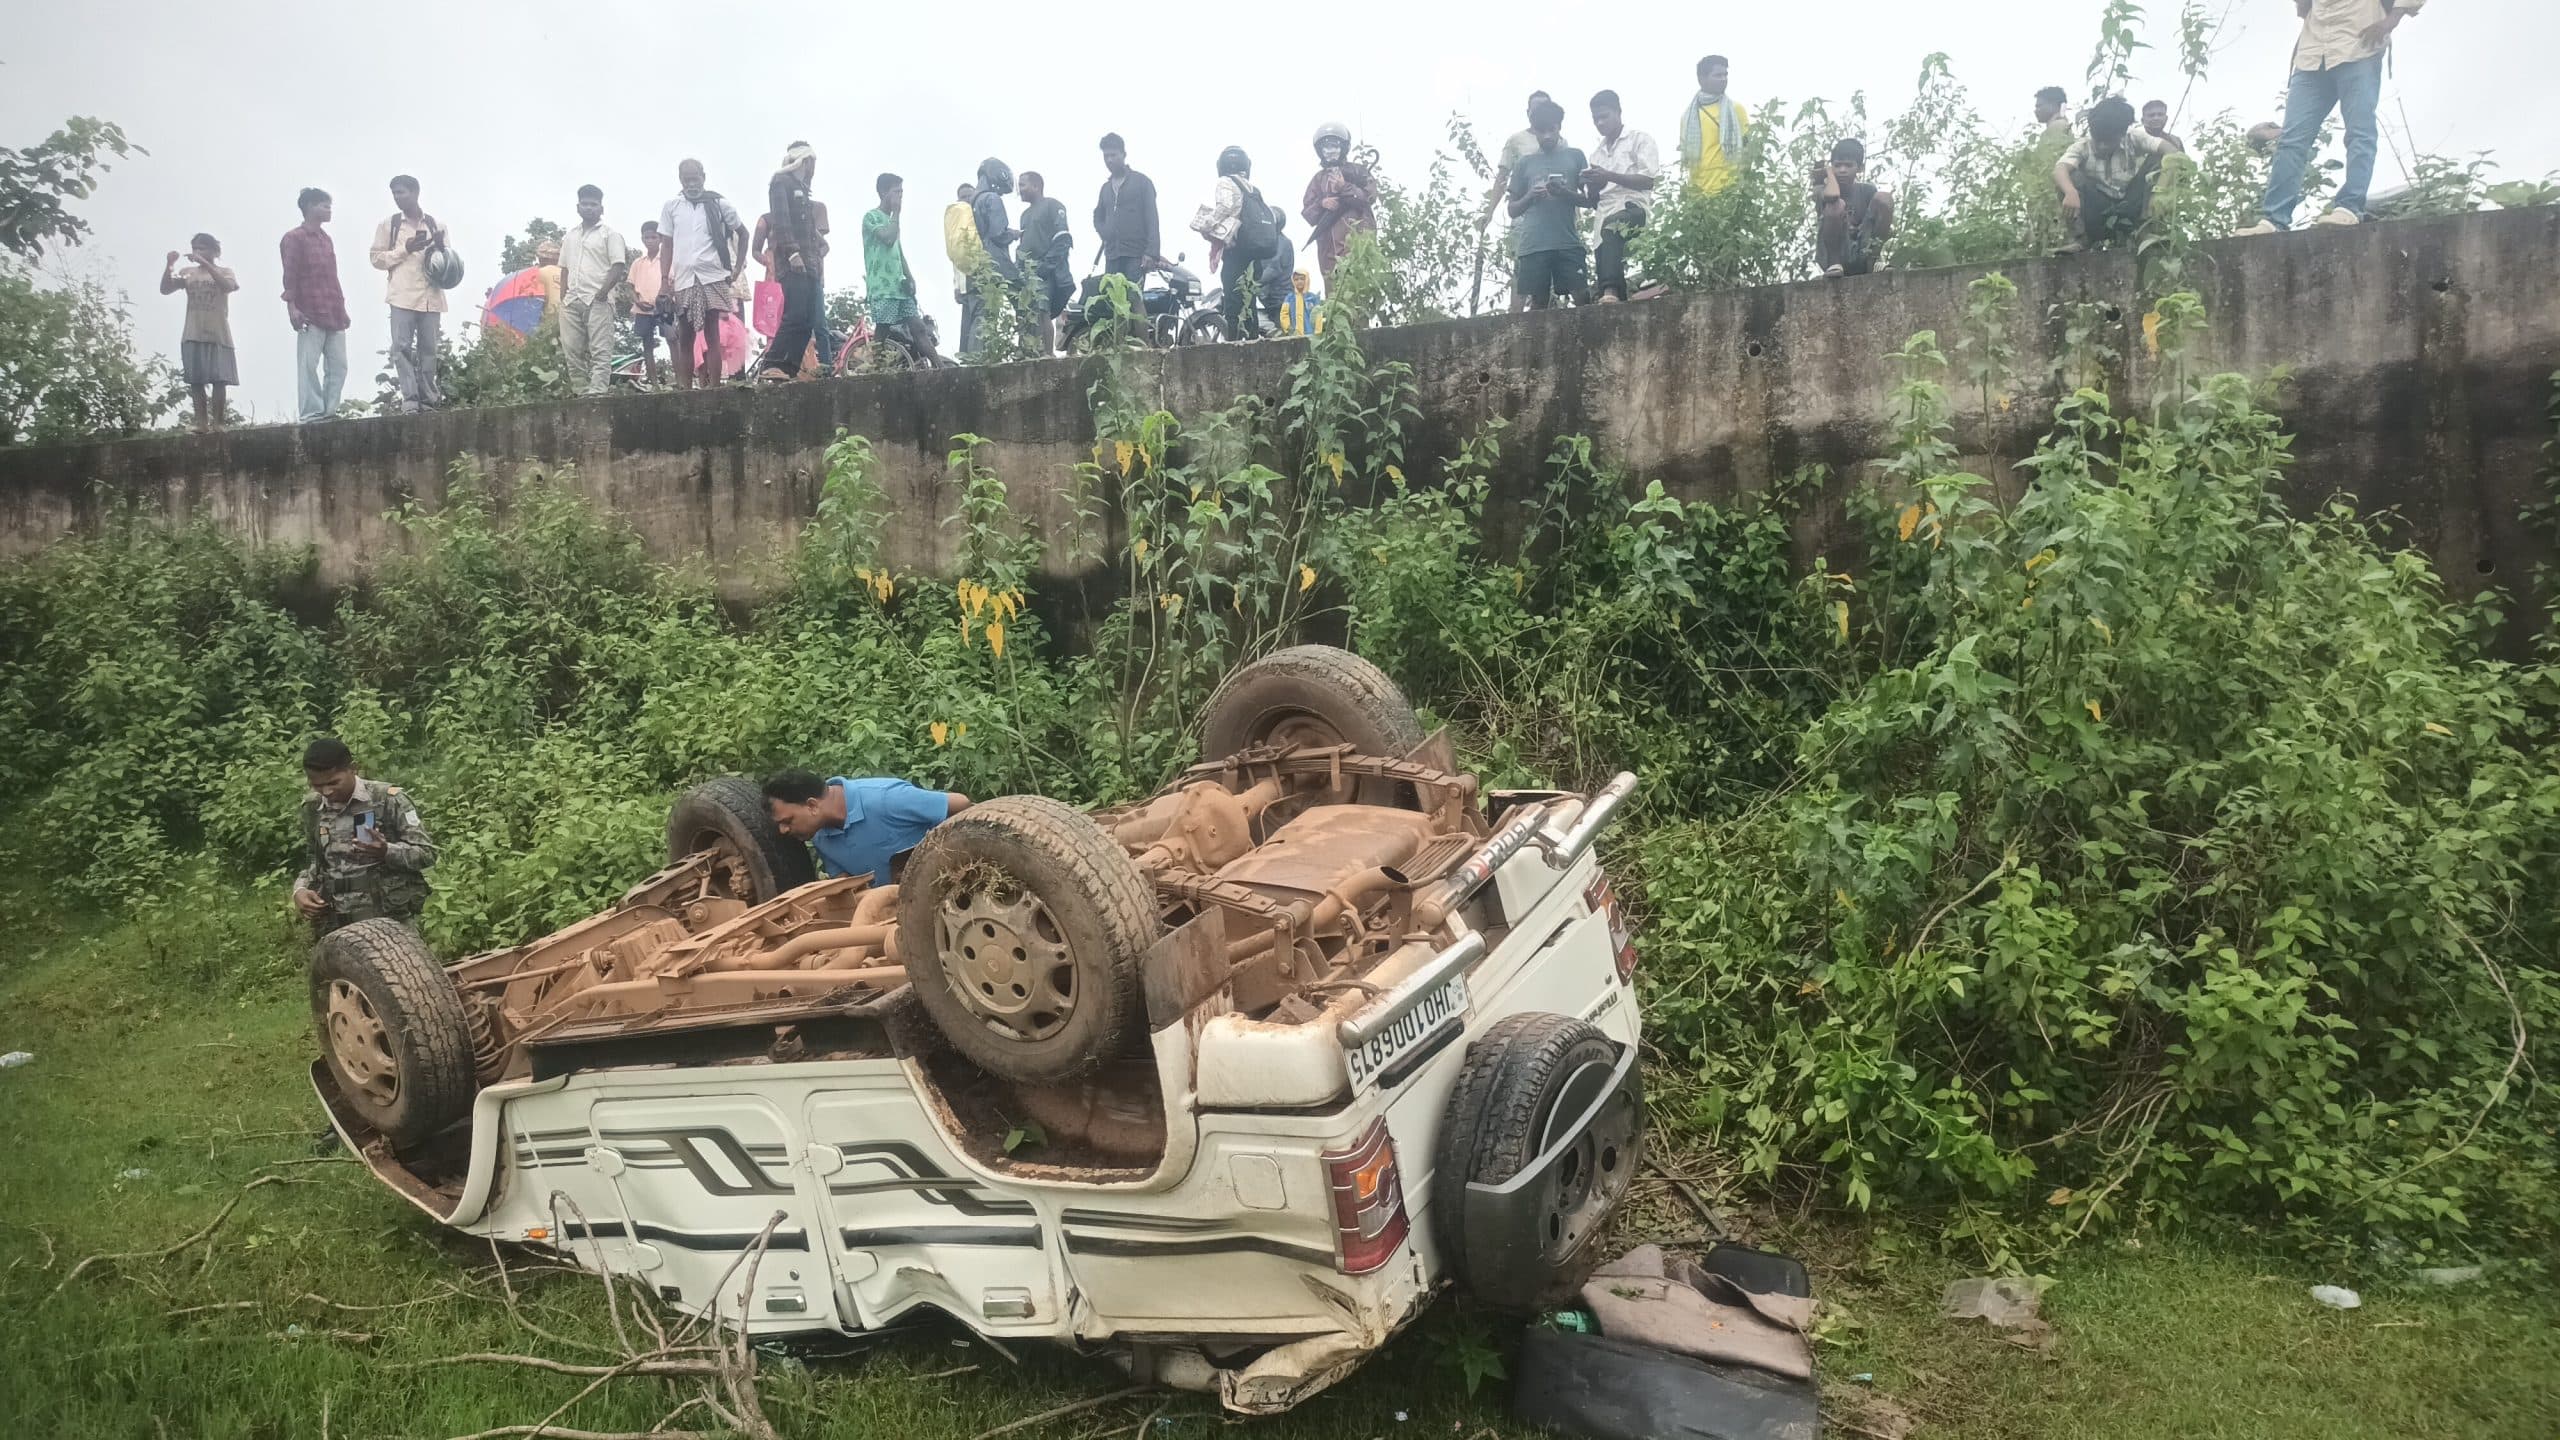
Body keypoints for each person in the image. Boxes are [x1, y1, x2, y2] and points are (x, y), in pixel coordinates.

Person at [2238, 0, 2429, 235]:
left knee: (2359, 132)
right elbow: (2302, 9)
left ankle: (2349, 207)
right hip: (2312, 52)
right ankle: (2274, 220)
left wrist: (2389, 22)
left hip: (2358, 45)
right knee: (2291, 140)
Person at [292, 737, 435, 937]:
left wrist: (386, 851)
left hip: (389, 920)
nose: (327, 791)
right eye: (317, 785)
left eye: (333, 782)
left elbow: (426, 853)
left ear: (353, 768)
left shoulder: (388, 799)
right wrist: (299, 890)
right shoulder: (312, 807)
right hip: (335, 923)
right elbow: (314, 861)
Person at [762, 770, 971, 887]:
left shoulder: (886, 799)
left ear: (812, 805)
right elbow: (846, 882)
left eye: (788, 821)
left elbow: (960, 803)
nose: (783, 831)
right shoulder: (820, 838)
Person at [658, 159, 748, 391]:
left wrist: (736, 268)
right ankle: (687, 390)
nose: (691, 184)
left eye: (695, 178)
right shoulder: (672, 206)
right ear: (680, 180)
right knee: (685, 335)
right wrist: (664, 281)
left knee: (712, 333)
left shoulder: (719, 204)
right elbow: (666, 245)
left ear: (703, 177)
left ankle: (715, 388)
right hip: (685, 277)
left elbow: (743, 233)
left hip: (712, 276)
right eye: (686, 179)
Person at [369, 175, 447, 413]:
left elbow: (446, 264)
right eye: (394, 193)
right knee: (401, 348)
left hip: (430, 296)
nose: (397, 198)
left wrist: (440, 248)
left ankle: (429, 400)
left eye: (401, 192)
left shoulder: (436, 225)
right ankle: (410, 400)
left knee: (429, 350)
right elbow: (376, 258)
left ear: (415, 193)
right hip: (401, 295)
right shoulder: (389, 225)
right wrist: (405, 250)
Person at [2055, 96, 2170, 252]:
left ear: (2121, 134)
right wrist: (2070, 192)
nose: (2102, 146)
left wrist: (2160, 193)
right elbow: (2060, 168)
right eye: (2099, 140)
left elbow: (2172, 152)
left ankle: (2146, 233)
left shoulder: (2133, 137)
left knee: (2159, 160)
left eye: (2108, 141)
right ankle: (2080, 240)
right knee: (2070, 177)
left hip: (2131, 205)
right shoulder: (2083, 146)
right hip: (2099, 212)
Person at [1508, 98, 1590, 310]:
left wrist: (1564, 192)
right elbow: (1512, 210)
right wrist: (1530, 196)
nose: (1546, 136)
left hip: (1568, 242)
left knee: (1582, 298)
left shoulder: (1576, 156)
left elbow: (1590, 201)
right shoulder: (1524, 164)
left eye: (1551, 129)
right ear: (1534, 131)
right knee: (1538, 305)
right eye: (1541, 131)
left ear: (1559, 127)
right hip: (1534, 245)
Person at [1193, 145, 1281, 338]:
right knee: (1249, 300)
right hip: (1253, 252)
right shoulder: (1252, 188)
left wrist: (1206, 224)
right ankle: (1251, 340)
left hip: (1236, 250)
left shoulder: (1225, 182)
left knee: (1233, 300)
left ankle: (1233, 343)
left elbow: (1224, 206)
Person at [279, 188, 350, 421]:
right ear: (309, 207)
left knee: (339, 365)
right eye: (324, 205)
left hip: (333, 308)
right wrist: (292, 308)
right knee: (308, 363)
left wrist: (342, 307)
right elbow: (290, 275)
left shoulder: (325, 238)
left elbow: (332, 276)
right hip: (308, 309)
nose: (329, 210)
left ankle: (329, 411)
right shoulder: (294, 238)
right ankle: (311, 412)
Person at [1583, 90, 1660, 303]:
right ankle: (1617, 299)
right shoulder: (1596, 154)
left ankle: (1610, 292)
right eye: (1595, 119)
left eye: (1604, 116)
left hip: (1633, 206)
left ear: (1618, 112)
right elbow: (1593, 201)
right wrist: (1593, 184)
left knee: (1612, 227)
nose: (1600, 123)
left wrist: (1608, 176)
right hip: (1604, 210)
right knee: (1603, 251)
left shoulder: (1639, 139)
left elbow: (1647, 180)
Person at [160, 234, 238, 433]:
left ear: (214, 251)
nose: (197, 252)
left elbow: (228, 286)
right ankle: (201, 423)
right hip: (193, 331)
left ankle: (219, 422)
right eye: (195, 248)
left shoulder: (225, 271)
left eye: (202, 248)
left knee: (220, 379)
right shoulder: (187, 272)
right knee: (196, 380)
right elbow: (166, 289)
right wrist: (169, 264)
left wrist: (205, 263)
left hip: (218, 332)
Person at [558, 185, 631, 395]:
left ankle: (597, 392)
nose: (589, 208)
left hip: (598, 300)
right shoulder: (570, 236)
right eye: (585, 204)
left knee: (601, 350)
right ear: (577, 207)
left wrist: (602, 292)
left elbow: (618, 265)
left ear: (601, 208)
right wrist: (563, 298)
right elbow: (563, 268)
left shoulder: (610, 235)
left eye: (593, 204)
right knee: (571, 350)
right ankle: (581, 392)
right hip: (572, 300)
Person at [864, 173, 943, 364]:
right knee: (883, 329)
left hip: (898, 285)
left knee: (918, 327)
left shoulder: (892, 221)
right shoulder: (871, 217)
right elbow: (888, 238)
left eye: (901, 192)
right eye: (896, 192)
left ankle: (940, 367)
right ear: (884, 192)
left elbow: (898, 251)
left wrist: (910, 276)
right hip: (882, 286)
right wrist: (896, 213)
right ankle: (874, 370)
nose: (900, 196)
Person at [762, 142, 823, 382]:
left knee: (808, 320)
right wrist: (792, 253)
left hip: (809, 263)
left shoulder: (803, 188)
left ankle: (789, 368)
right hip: (793, 261)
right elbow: (782, 222)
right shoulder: (781, 182)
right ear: (805, 161)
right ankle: (772, 363)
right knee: (795, 314)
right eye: (812, 163)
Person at [1300, 122, 1377, 283]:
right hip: (1328, 250)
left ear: (1343, 147)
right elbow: (1308, 213)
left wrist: (1345, 188)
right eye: (1325, 148)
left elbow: (1369, 197)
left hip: (1358, 244)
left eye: (1334, 146)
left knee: (1358, 289)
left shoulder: (1358, 171)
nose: (1330, 151)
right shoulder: (1318, 179)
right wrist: (1322, 203)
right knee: (1333, 293)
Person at [1813, 138, 1896, 278]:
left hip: (1862, 251)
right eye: (1837, 166)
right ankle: (1835, 264)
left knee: (1884, 198)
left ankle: (1873, 259)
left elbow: (1879, 215)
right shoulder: (1822, 190)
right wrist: (1828, 172)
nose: (1842, 170)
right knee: (1836, 205)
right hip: (1834, 254)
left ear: (1860, 168)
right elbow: (1833, 195)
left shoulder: (1867, 190)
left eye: (1848, 165)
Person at [1094, 134, 1166, 293]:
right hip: (1112, 254)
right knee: (1113, 302)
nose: (1109, 160)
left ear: (1123, 155)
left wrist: (1151, 252)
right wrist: (1105, 233)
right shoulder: (1105, 188)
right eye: (1106, 156)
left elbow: (1152, 218)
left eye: (1113, 155)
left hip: (1136, 254)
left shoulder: (1142, 182)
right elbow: (1097, 216)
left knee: (1134, 299)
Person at [966, 158, 1022, 359]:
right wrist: (1014, 234)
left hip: (975, 265)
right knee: (1025, 300)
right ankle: (1028, 351)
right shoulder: (992, 199)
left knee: (981, 314)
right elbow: (998, 233)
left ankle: (976, 360)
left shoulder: (970, 201)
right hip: (996, 261)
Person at [1677, 57, 1752, 197]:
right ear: (1701, 79)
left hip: (1730, 190)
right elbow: (1687, 157)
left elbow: (1749, 151)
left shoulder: (1736, 110)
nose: (1724, 79)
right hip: (1698, 192)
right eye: (1718, 75)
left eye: (1725, 75)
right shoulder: (1687, 117)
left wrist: (1743, 186)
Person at [1017, 170, 1073, 353]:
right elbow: (1024, 243)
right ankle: (1028, 354)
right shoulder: (1024, 216)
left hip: (1046, 271)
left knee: (1043, 312)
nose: (1020, 189)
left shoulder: (1052, 205)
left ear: (1036, 186)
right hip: (1027, 272)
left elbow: (1063, 238)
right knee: (1026, 315)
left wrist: (1046, 266)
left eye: (1023, 185)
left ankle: (1048, 355)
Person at [628, 221, 667, 386]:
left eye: (654, 237)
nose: (650, 240)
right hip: (642, 308)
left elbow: (671, 281)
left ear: (660, 239)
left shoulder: (666, 260)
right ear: (642, 239)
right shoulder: (638, 263)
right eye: (647, 237)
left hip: (664, 307)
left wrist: (662, 298)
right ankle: (653, 381)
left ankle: (681, 381)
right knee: (647, 344)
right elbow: (630, 286)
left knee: (673, 339)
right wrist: (637, 301)